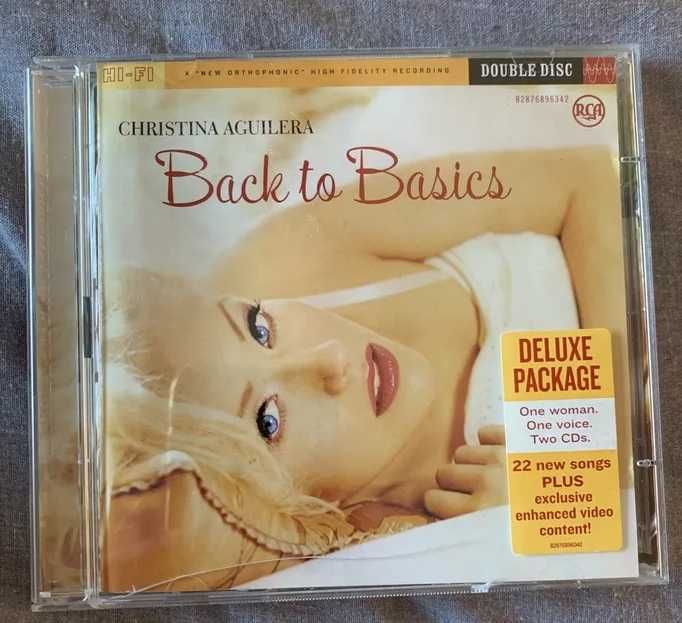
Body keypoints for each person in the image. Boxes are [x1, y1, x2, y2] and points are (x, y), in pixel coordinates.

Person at [102, 147, 627, 592]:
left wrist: (610, 467)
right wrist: (550, 514)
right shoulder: (404, 547)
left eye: (259, 327)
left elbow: (584, 177)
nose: (330, 358)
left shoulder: (280, 259)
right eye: (269, 421)